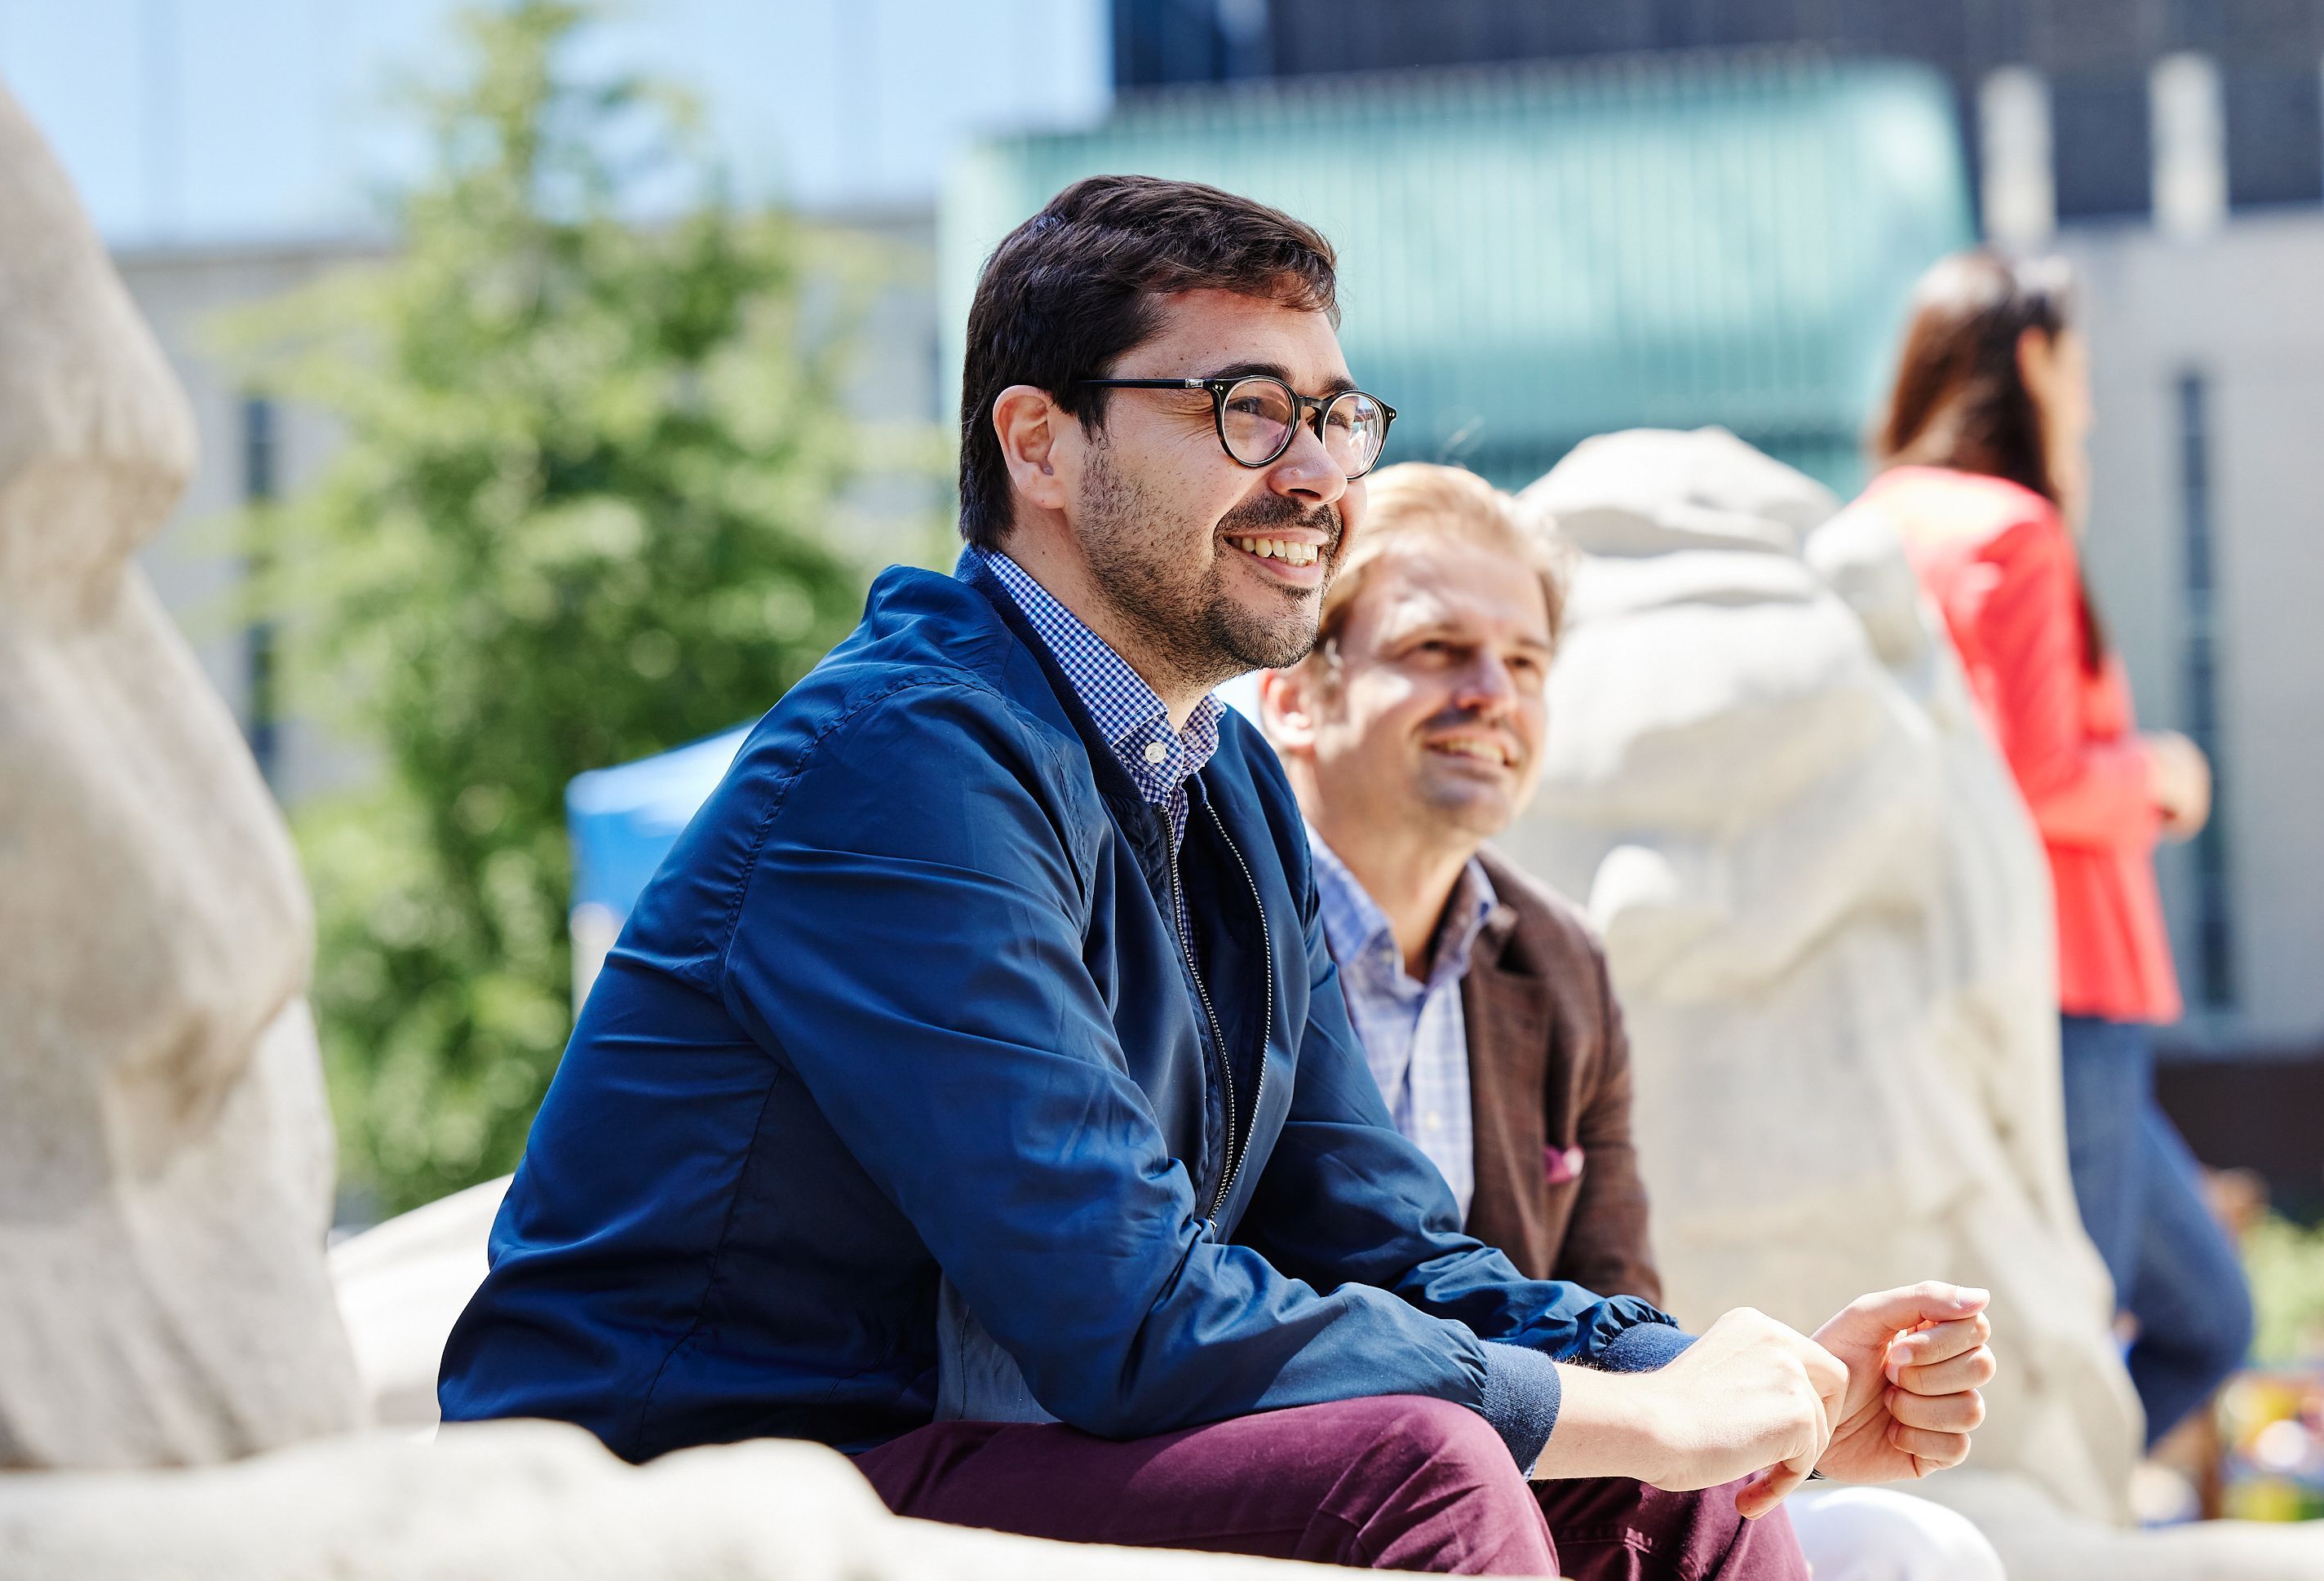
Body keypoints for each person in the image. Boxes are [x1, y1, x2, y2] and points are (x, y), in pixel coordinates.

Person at [439, 175, 1994, 1578]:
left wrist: (1728, 1391)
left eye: (1336, 416)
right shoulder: (902, 763)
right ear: (1039, 441)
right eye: (1248, 408)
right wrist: (1634, 1416)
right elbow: (1126, 1314)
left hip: (1005, 1441)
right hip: (724, 1464)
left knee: (1677, 1500)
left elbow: (1381, 1242)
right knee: (1420, 1474)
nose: (1317, 474)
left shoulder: (1228, 777)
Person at [1259, 461, 2007, 1581]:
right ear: (1296, 695)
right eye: (1434, 650)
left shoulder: (1560, 967)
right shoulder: (1221, 923)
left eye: (1524, 663)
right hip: (1308, 1476)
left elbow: (1613, 1306)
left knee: (1917, 1549)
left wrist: (1799, 1398)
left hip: (1533, 1472)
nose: (1491, 693)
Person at [1857, 250, 2253, 1448]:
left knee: (2201, 1314)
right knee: (2091, 1315)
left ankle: (2057, 1510)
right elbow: (2042, 777)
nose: (2084, 391)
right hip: (2074, 983)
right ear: (2032, 358)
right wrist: (2165, 780)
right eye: (2075, 363)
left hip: (1950, 980)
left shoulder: (1879, 522)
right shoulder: (2015, 530)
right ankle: (2050, 1520)